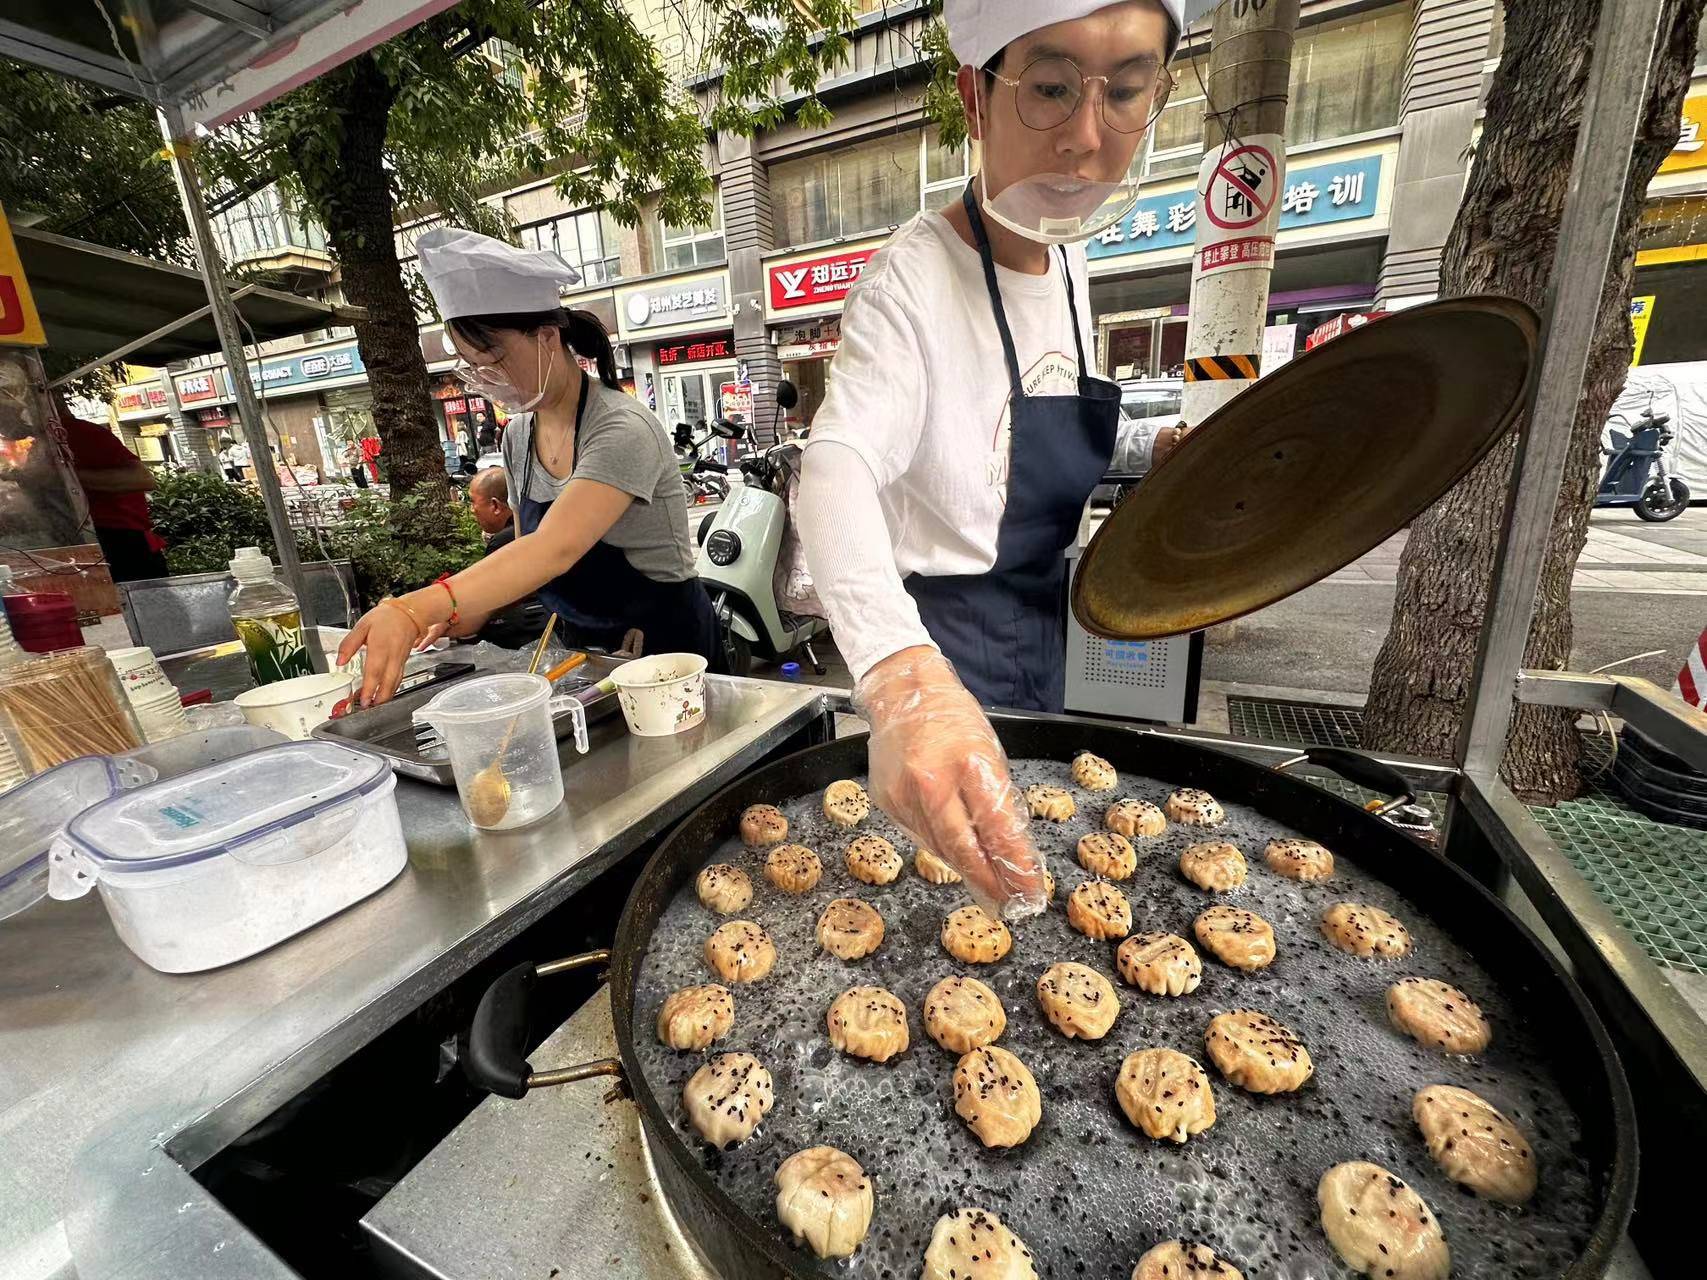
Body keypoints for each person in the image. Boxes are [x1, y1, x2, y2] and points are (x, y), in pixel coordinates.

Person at [795, 0, 1184, 918]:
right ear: (977, 96)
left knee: (1033, 882)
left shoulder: (1072, 261)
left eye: (1126, 92)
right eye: (1050, 89)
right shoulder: (912, 280)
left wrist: (1150, 448)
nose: (1087, 139)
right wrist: (901, 677)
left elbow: (1009, 435)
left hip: (1044, 625)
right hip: (946, 641)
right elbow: (837, 464)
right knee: (951, 900)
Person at [337, 227, 721, 703]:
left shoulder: (622, 428)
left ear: (546, 337)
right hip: (582, 651)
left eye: (491, 359)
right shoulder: (518, 435)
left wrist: (416, 606)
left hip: (664, 652)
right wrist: (461, 614)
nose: (483, 379)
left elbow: (552, 549)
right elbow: (527, 562)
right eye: (470, 366)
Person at [57, 408, 170, 581]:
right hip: (81, 542)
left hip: (122, 542)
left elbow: (143, 479)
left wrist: (60, 476)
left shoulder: (76, 432)